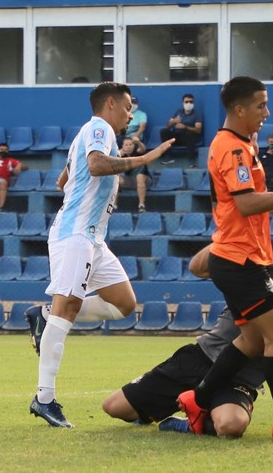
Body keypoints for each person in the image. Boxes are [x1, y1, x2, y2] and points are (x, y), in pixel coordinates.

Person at [176, 76, 273, 442]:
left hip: (243, 257)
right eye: (261, 105)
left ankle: (197, 399)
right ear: (239, 109)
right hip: (239, 259)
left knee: (251, 339)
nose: (267, 112)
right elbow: (245, 203)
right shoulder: (232, 149)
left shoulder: (240, 144)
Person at [26, 82, 174, 429]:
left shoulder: (92, 133)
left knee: (123, 304)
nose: (129, 114)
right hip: (76, 234)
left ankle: (45, 315)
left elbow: (64, 180)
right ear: (110, 104)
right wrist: (141, 159)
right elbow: (94, 166)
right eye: (126, 107)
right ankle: (44, 398)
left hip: (93, 238)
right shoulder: (98, 127)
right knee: (69, 307)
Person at [102, 234, 273, 440]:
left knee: (230, 426)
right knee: (113, 407)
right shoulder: (259, 271)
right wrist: (228, 234)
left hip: (240, 382)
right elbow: (199, 267)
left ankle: (187, 424)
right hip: (200, 359)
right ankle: (157, 409)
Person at [159, 93, 203, 167]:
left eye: (191, 102)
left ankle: (192, 159)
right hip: (177, 137)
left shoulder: (197, 114)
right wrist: (173, 122)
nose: (189, 103)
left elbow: (198, 130)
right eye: (186, 102)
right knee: (164, 131)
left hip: (188, 138)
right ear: (183, 103)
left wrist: (185, 127)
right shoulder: (178, 112)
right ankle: (168, 157)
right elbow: (168, 126)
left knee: (190, 134)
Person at [118, 136, 152, 213]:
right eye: (126, 145)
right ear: (122, 146)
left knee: (139, 176)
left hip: (145, 181)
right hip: (129, 181)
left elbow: (143, 149)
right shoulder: (120, 155)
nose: (128, 147)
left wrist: (138, 142)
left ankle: (141, 205)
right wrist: (117, 155)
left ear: (134, 145)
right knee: (115, 179)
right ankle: (114, 205)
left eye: (130, 144)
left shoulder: (138, 152)